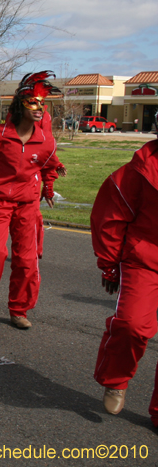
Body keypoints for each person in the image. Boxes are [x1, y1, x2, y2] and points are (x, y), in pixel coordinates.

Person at [0, 71, 65, 330]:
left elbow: (48, 165)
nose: (39, 108)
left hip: (28, 204)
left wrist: (48, 188)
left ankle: (19, 308)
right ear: (20, 105)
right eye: (32, 102)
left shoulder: (45, 140)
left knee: (28, 259)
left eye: (42, 103)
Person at [90, 114, 158, 422]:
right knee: (132, 325)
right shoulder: (142, 169)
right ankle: (116, 380)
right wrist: (109, 265)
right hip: (145, 259)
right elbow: (111, 214)